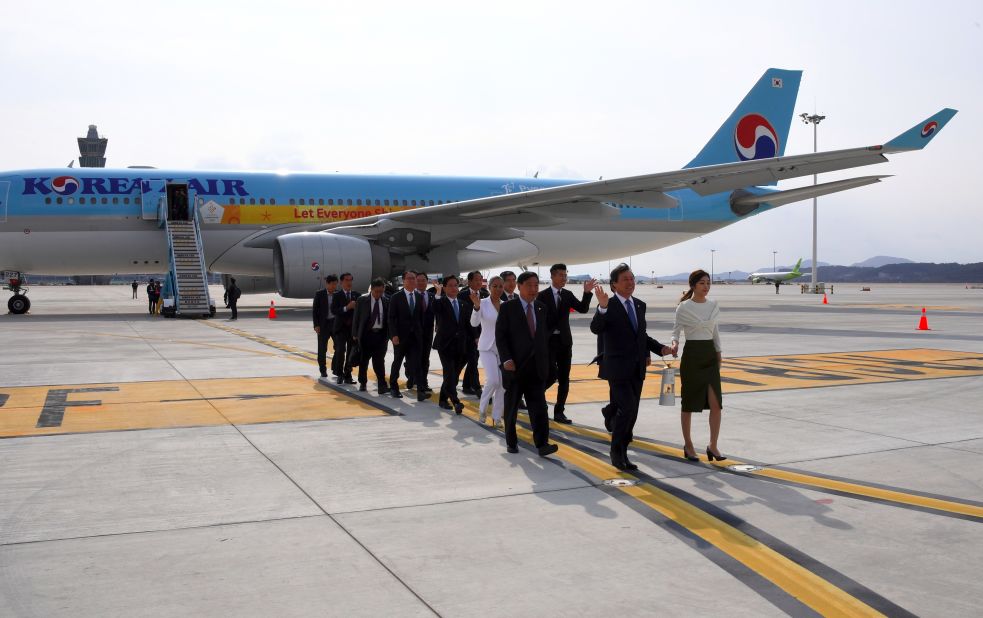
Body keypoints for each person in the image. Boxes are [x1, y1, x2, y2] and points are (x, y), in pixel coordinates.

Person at [592, 263, 671, 471]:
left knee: (632, 411)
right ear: (614, 284)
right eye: (625, 279)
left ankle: (622, 446)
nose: (630, 282)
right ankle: (616, 452)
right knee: (627, 408)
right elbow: (596, 328)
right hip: (617, 368)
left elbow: (641, 336)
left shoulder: (639, 305)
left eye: (632, 278)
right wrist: (602, 308)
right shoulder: (608, 304)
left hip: (636, 368)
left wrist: (660, 348)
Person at [497, 271, 557, 457]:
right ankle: (511, 441)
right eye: (529, 285)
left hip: (536, 368)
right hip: (515, 367)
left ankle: (542, 444)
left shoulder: (541, 308)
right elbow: (501, 336)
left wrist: (547, 365)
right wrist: (506, 359)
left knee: (539, 407)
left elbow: (542, 339)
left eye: (536, 285)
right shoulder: (508, 307)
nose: (533, 289)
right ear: (519, 286)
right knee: (512, 407)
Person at [669, 269, 726, 462]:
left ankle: (713, 446)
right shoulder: (683, 307)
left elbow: (715, 332)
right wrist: (674, 344)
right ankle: (689, 444)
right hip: (692, 356)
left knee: (716, 405)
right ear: (693, 285)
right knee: (689, 404)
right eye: (702, 283)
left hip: (710, 356)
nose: (706, 286)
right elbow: (675, 331)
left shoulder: (713, 305)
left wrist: (719, 353)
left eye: (708, 282)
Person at [537, 263, 596, 424]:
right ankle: (535, 397)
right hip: (548, 342)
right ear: (553, 276)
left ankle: (559, 411)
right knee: (549, 374)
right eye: (561, 275)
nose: (564, 278)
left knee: (564, 378)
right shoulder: (542, 296)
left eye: (565, 275)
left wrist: (587, 292)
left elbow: (583, 309)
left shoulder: (568, 295)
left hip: (564, 342)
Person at [431, 275, 472, 414]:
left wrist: (475, 338)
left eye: (456, 285)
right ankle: (456, 401)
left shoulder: (463, 304)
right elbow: (434, 309)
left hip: (460, 345)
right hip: (445, 345)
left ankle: (443, 399)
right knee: (449, 373)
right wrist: (437, 292)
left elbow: (468, 325)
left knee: (453, 375)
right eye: (451, 285)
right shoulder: (441, 302)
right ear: (445, 287)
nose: (454, 288)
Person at [470, 275, 506, 427]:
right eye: (495, 286)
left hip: (502, 349)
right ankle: (483, 409)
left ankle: (497, 416)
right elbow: (474, 323)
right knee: (493, 380)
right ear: (489, 287)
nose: (498, 289)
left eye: (500, 286)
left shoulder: (506, 305)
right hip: (486, 347)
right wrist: (476, 307)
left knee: (503, 384)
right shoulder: (482, 303)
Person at [388, 270, 427, 402]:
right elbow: (391, 318)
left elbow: (421, 318)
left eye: (413, 278)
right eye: (409, 278)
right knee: (397, 361)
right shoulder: (396, 297)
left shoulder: (419, 297)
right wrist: (393, 335)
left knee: (417, 363)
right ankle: (394, 387)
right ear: (403, 281)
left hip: (415, 337)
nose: (412, 281)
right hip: (400, 336)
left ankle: (421, 390)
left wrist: (420, 332)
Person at [351, 278, 390, 393]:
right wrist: (355, 334)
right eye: (376, 291)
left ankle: (382, 384)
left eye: (381, 292)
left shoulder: (386, 301)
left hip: (381, 336)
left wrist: (389, 336)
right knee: (364, 361)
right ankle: (363, 382)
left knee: (379, 361)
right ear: (371, 290)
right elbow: (356, 318)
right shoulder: (362, 300)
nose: (378, 294)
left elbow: (389, 320)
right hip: (366, 335)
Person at [460, 270, 487, 396]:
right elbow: (464, 318)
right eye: (476, 280)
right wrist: (475, 335)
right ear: (469, 281)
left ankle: (466, 386)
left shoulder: (485, 295)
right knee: (472, 361)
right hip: (467, 335)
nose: (479, 282)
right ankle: (477, 389)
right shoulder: (462, 295)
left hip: (482, 334)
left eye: (480, 280)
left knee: (472, 361)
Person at [330, 273, 359, 383]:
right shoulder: (337, 295)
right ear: (341, 282)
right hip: (341, 328)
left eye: (351, 280)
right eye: (347, 280)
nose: (349, 282)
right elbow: (334, 310)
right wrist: (347, 308)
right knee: (340, 350)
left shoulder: (356, 295)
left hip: (352, 329)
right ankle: (339, 374)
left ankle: (348, 374)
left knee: (351, 352)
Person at [413, 271, 436, 394]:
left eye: (423, 280)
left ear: (427, 282)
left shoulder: (432, 296)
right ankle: (416, 379)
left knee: (425, 358)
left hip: (428, 332)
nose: (421, 283)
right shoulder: (411, 296)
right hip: (414, 332)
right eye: (419, 280)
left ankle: (423, 381)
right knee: (415, 358)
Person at [313, 274, 339, 378]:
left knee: (339, 347)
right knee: (322, 348)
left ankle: (335, 366)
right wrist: (316, 325)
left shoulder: (338, 294)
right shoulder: (319, 294)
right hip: (323, 325)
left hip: (335, 324)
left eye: (335, 284)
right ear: (327, 284)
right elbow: (315, 311)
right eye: (332, 284)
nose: (334, 287)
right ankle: (323, 369)